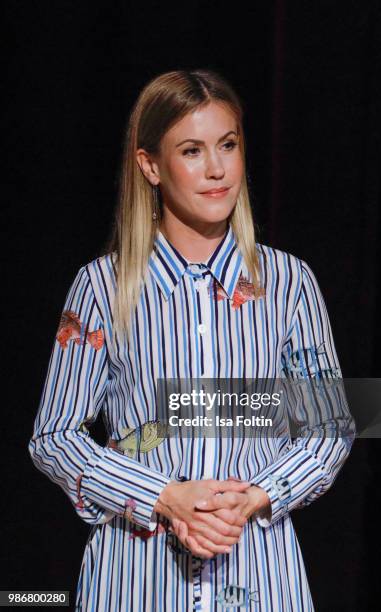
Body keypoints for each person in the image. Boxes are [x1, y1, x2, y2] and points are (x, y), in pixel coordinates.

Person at [28, 69, 355, 611]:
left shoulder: (288, 282)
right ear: (150, 165)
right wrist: (162, 496)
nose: (217, 169)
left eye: (228, 145)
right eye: (192, 150)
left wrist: (257, 495)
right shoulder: (102, 287)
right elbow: (54, 436)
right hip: (136, 580)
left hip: (257, 574)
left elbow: (329, 427)